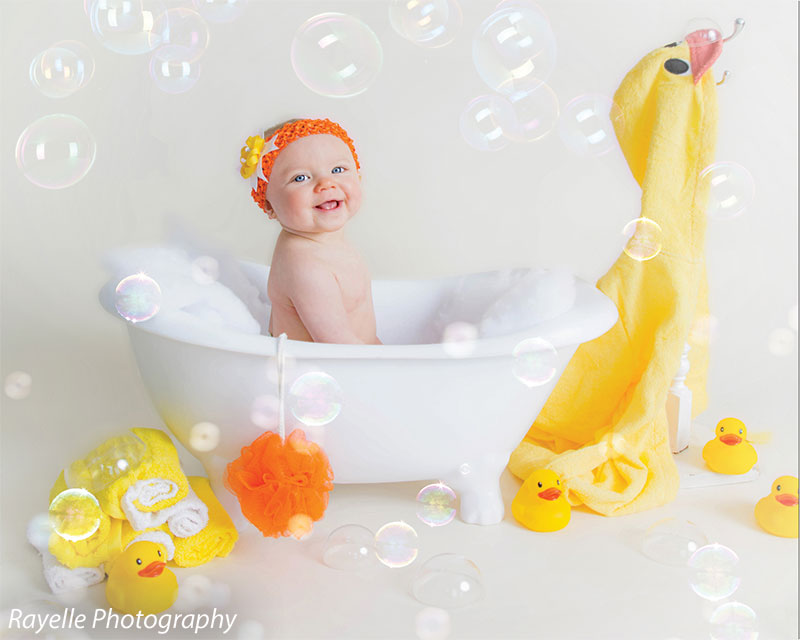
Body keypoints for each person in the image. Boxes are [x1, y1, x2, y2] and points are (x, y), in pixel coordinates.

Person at [240, 118, 381, 344]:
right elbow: (337, 344)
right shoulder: (304, 265)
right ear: (268, 204)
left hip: (355, 359)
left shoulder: (326, 243)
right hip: (328, 367)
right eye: (300, 177)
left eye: (338, 169)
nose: (326, 183)